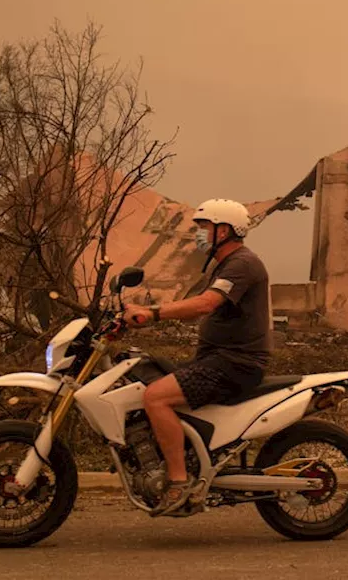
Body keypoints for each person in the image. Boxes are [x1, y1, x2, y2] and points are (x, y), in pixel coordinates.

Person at [122, 198, 271, 516]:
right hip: (217, 360)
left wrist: (152, 314)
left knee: (156, 397)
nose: (199, 234)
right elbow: (193, 310)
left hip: (233, 363)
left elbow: (205, 304)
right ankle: (186, 459)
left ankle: (179, 482)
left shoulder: (242, 264)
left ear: (225, 230)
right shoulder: (224, 266)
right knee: (148, 372)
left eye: (204, 227)